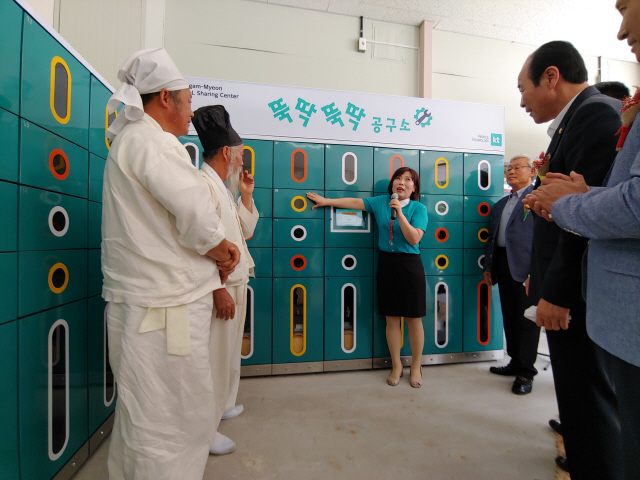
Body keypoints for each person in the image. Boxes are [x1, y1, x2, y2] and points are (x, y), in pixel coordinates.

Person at [102, 48, 239, 480]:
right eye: (186, 98)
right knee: (173, 417)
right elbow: (196, 216)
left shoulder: (131, 142)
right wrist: (224, 251)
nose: (190, 109)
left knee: (144, 411)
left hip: (148, 306)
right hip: (166, 311)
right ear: (165, 98)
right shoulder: (154, 143)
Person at [524, 2, 640, 477]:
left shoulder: (594, 114)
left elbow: (611, 214)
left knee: (593, 412)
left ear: (551, 77)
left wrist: (558, 292)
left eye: (627, 7)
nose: (621, 29)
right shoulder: (584, 117)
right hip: (592, 297)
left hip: (593, 300)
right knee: (585, 406)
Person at [307, 168, 427, 388]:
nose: (401, 182)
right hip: (387, 263)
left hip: (410, 265)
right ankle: (397, 365)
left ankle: (416, 366)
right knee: (391, 318)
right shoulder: (382, 202)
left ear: (414, 187)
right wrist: (327, 201)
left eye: (408, 180)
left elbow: (413, 239)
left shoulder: (419, 208)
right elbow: (354, 202)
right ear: (392, 185)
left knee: (413, 318)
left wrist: (400, 213)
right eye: (398, 179)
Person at [192, 105, 259, 455]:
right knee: (215, 356)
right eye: (241, 154)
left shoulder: (224, 188)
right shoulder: (202, 185)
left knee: (231, 352)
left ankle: (225, 403)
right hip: (221, 285)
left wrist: (246, 195)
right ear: (226, 152)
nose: (242, 161)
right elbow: (200, 246)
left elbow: (244, 232)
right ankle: (206, 428)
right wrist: (218, 290)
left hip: (237, 281)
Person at [483, 155, 539, 395]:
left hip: (527, 268)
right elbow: (491, 237)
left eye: (518, 168)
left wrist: (534, 271)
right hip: (503, 264)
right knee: (509, 315)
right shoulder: (501, 204)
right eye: (509, 168)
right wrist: (488, 266)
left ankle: (526, 372)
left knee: (527, 320)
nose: (511, 172)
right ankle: (515, 361)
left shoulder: (537, 198)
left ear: (532, 172)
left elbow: (542, 240)